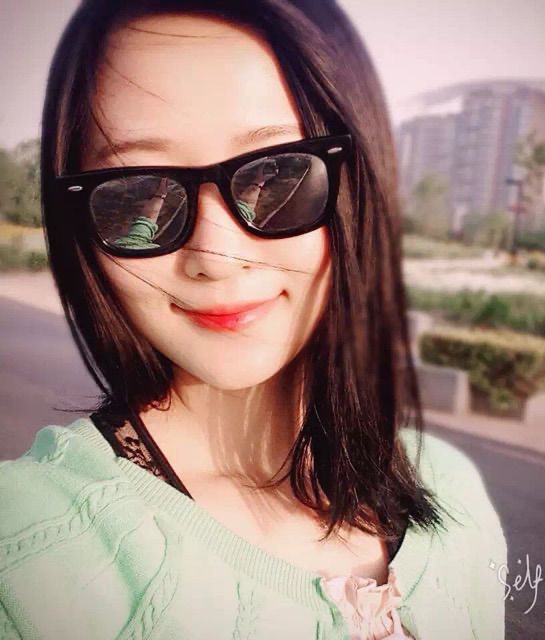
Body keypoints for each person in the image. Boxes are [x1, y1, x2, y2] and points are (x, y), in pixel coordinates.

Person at [0, 1, 508, 639]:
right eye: (139, 191)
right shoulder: (27, 556)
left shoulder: (453, 492)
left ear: (358, 180)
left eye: (276, 175)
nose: (215, 257)